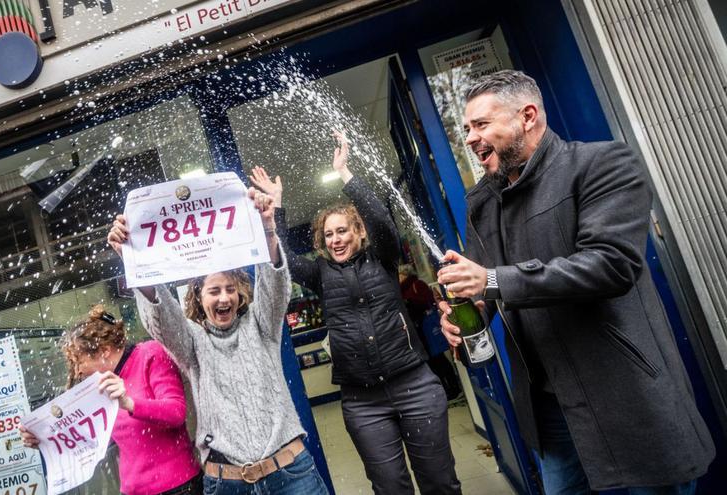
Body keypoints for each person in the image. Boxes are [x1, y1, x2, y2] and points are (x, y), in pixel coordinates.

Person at [436, 69, 714, 494]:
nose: (471, 138)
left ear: (527, 116)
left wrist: (491, 280)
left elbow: (612, 264)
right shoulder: (482, 202)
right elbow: (488, 286)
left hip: (624, 394)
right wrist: (469, 313)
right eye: (466, 128)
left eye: (481, 124)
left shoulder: (602, 164)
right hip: (549, 407)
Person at [250, 133, 461, 495]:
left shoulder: (383, 257)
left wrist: (345, 173)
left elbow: (381, 219)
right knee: (390, 487)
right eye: (328, 234)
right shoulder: (320, 274)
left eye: (342, 230)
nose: (336, 239)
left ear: (357, 232)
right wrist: (277, 209)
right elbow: (281, 259)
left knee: (439, 482)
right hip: (363, 403)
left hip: (414, 384)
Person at [107, 188, 329, 495]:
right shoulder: (192, 343)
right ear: (198, 297)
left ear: (240, 295)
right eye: (214, 291)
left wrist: (267, 229)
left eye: (230, 289)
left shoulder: (261, 325)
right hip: (227, 484)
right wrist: (133, 258)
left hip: (291, 476)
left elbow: (275, 286)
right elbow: (163, 318)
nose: (223, 297)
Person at [19, 305, 202, 495]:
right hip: (132, 489)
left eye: (80, 361)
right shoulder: (98, 383)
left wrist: (129, 403)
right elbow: (89, 438)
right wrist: (44, 438)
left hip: (177, 486)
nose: (78, 371)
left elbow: (176, 412)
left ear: (105, 351)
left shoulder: (150, 353)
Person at [398, 264, 461, 401]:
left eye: (400, 275)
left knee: (439, 359)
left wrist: (409, 302)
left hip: (426, 327)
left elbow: (426, 301)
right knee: (432, 362)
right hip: (418, 330)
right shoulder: (401, 290)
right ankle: (443, 389)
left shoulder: (417, 284)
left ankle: (453, 388)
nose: (398, 278)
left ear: (405, 274)